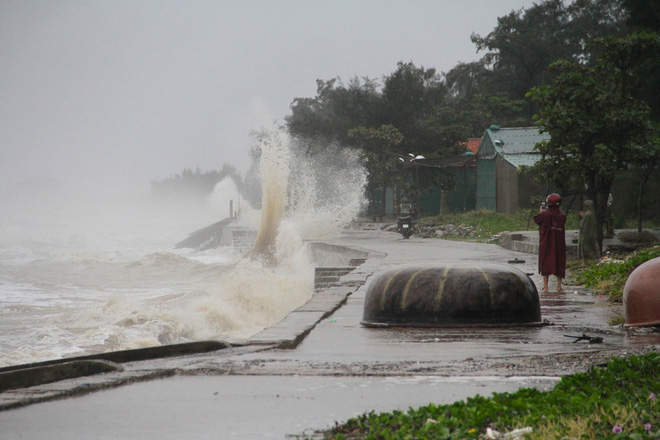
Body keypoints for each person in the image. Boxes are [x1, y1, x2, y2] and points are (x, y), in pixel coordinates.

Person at [533, 193, 566, 292]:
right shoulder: (562, 216)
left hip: (546, 243)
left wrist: (542, 211)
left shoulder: (544, 215)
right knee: (559, 262)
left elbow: (536, 219)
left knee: (545, 263)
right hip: (558, 244)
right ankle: (559, 286)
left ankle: (546, 286)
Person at [578, 199, 600, 265]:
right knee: (595, 244)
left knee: (584, 246)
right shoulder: (592, 213)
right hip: (593, 232)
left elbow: (582, 224)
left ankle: (585, 261)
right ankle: (598, 258)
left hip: (586, 233)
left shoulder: (587, 214)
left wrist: (582, 217)